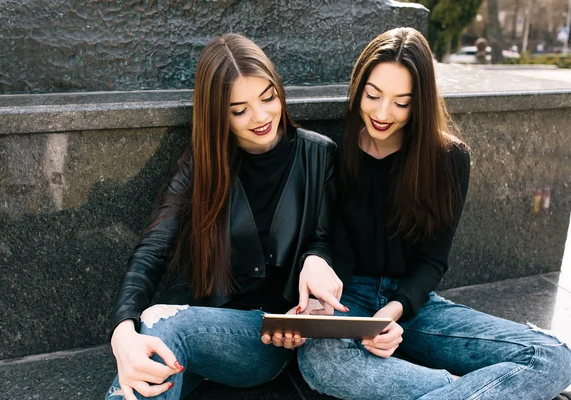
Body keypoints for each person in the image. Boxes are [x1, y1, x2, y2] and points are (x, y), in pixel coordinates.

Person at [297, 27, 571, 400]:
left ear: (420, 102)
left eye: (401, 102)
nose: (381, 112)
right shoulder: (333, 148)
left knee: (553, 357)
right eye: (372, 95)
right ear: (359, 87)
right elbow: (325, 240)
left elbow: (432, 262)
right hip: (347, 298)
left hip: (415, 303)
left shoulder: (448, 159)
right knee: (321, 363)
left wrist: (391, 313)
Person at [105, 33, 346, 400]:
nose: (261, 116)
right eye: (240, 110)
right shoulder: (201, 165)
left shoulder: (319, 155)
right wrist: (122, 331)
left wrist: (315, 265)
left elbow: (325, 239)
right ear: (219, 115)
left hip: (264, 339)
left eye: (268, 98)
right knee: (152, 342)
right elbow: (153, 248)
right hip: (199, 322)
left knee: (163, 325)